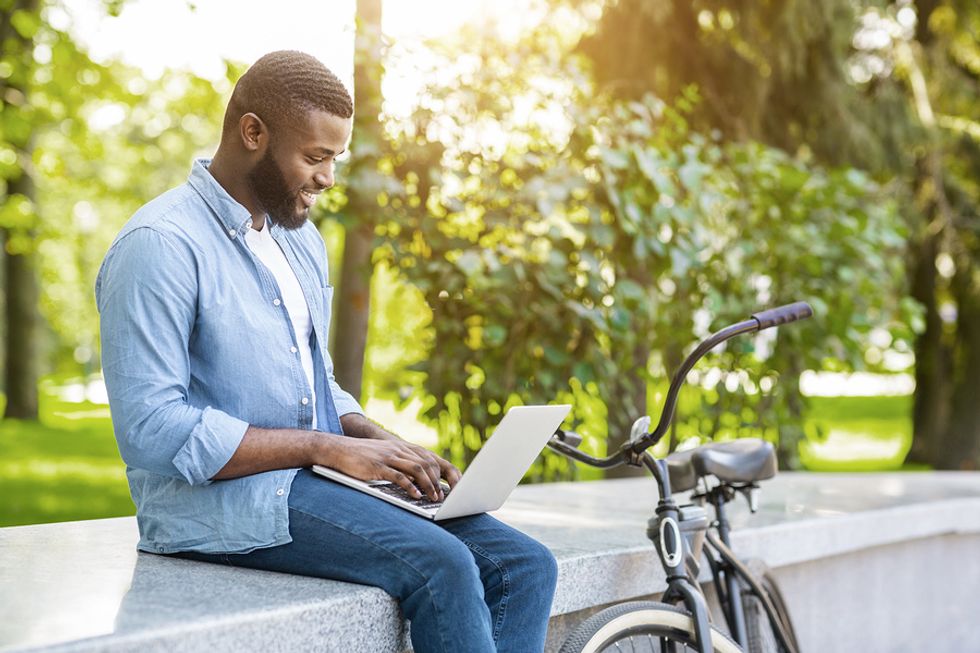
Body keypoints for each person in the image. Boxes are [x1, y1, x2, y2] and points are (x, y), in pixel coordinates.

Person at [96, 50, 557, 653]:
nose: (328, 179)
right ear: (253, 132)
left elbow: (315, 383)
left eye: (335, 159)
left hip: (310, 485)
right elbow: (151, 429)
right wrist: (325, 447)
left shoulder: (300, 242)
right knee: (441, 565)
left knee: (525, 565)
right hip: (214, 510)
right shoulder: (160, 245)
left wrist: (379, 443)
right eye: (315, 158)